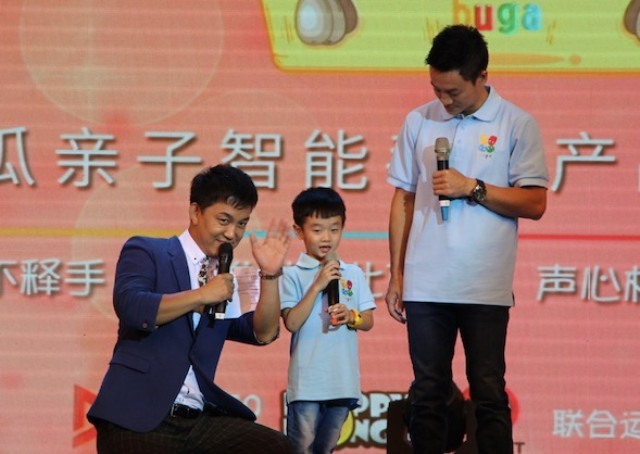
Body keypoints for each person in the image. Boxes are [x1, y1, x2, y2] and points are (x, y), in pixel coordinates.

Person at [385, 25, 549, 454]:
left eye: (453, 91)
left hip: (483, 284)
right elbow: (403, 199)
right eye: (436, 89)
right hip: (425, 283)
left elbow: (535, 202)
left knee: (488, 391)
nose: (444, 100)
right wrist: (397, 275)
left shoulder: (516, 123)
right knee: (427, 392)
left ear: (482, 76)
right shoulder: (418, 120)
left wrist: (472, 187)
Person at [87, 165, 294, 453]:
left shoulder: (225, 279)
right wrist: (201, 296)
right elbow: (132, 307)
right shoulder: (149, 251)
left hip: (197, 422)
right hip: (136, 416)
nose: (232, 233)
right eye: (224, 220)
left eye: (242, 224)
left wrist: (270, 275)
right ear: (196, 212)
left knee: (276, 447)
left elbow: (263, 332)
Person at [279, 187, 375, 454]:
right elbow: (292, 322)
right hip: (307, 384)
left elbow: (368, 320)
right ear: (299, 231)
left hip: (342, 381)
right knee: (302, 449)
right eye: (317, 229)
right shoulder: (292, 275)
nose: (327, 237)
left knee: (326, 449)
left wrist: (352, 316)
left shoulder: (352, 273)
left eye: (334, 229)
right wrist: (317, 285)